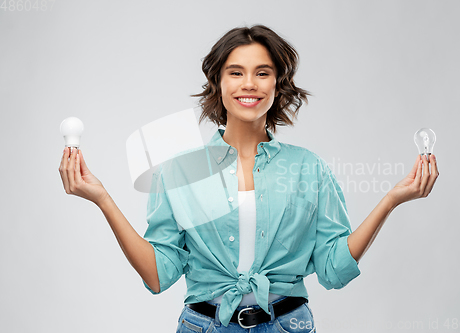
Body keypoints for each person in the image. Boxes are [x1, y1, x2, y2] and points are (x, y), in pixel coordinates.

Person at [59, 24, 439, 332]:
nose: (249, 84)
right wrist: (102, 199)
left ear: (278, 83)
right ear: (218, 82)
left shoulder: (309, 168)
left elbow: (333, 270)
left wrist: (391, 199)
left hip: (288, 325)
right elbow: (158, 276)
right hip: (204, 327)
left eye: (263, 73)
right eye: (235, 72)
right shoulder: (180, 171)